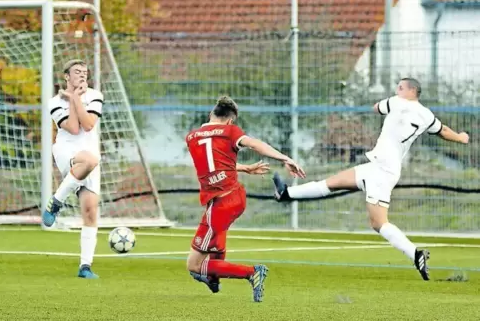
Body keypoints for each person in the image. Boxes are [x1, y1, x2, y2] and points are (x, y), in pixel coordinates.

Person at [272, 78, 469, 281]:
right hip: (376, 167)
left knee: (378, 223)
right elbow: (443, 131)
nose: (397, 90)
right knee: (331, 183)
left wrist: (384, 104)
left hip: (383, 171)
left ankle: (415, 254)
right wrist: (462, 137)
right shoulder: (426, 115)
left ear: (412, 91)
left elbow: (376, 107)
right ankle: (285, 193)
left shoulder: (396, 101)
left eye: (400, 87)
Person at [186, 96, 305, 302]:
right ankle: (214, 278)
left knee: (194, 266)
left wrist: (240, 168)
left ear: (210, 115)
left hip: (220, 203)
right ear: (230, 121)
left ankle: (252, 272)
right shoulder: (230, 131)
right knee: (216, 239)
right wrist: (285, 158)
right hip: (234, 197)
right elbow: (255, 144)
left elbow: (210, 164)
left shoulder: (192, 137)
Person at [42, 59, 104, 279]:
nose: (82, 75)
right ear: (66, 76)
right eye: (77, 72)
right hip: (67, 151)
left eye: (85, 72)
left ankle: (85, 267)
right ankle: (56, 201)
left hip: (90, 152)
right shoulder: (54, 102)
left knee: (90, 212)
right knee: (89, 160)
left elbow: (89, 125)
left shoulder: (95, 96)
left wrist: (76, 98)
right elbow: (74, 128)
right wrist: (73, 99)